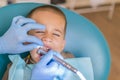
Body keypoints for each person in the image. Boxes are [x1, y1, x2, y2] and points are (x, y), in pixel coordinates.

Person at [2, 5, 74, 80]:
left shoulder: (70, 60)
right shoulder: (14, 69)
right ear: (26, 40)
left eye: (56, 34)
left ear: (62, 45)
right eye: (40, 31)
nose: (47, 38)